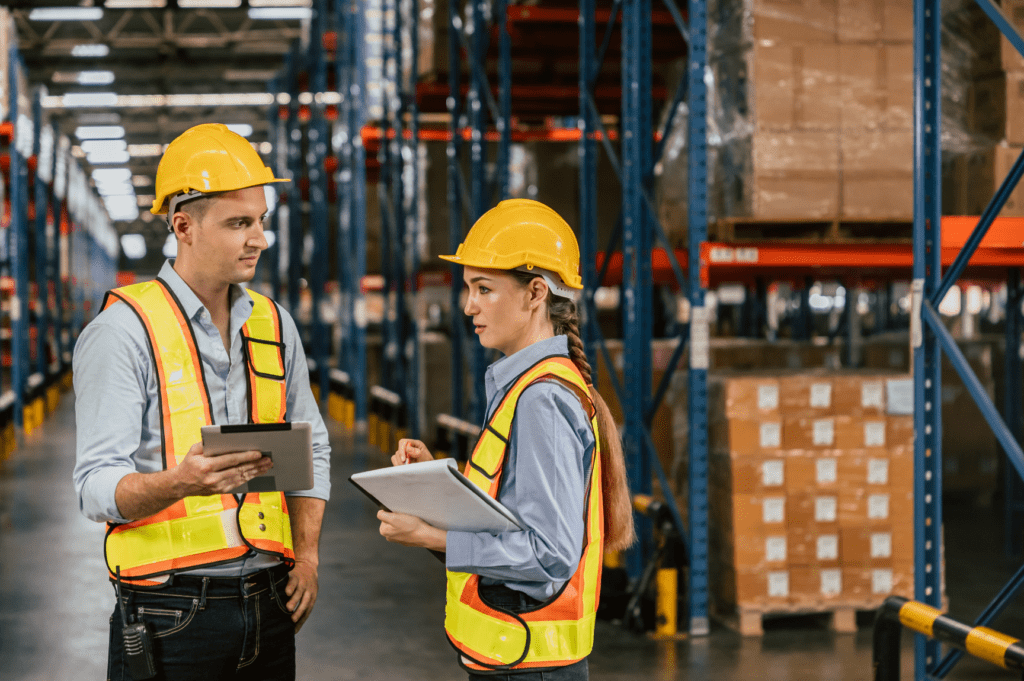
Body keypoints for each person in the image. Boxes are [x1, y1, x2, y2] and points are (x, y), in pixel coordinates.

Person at [73, 123, 331, 681]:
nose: (257, 238)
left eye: (260, 221)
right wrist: (180, 482)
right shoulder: (122, 332)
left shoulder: (273, 324)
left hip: (270, 603)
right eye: (239, 223)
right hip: (170, 613)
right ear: (183, 226)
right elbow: (94, 486)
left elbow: (314, 446)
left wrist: (306, 556)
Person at [377, 199, 635, 680]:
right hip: (516, 658)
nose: (468, 305)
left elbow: (548, 554)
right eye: (468, 288)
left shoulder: (542, 400)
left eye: (484, 288)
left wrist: (431, 536)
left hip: (529, 667)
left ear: (535, 292)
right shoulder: (525, 386)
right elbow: (512, 513)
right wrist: (435, 486)